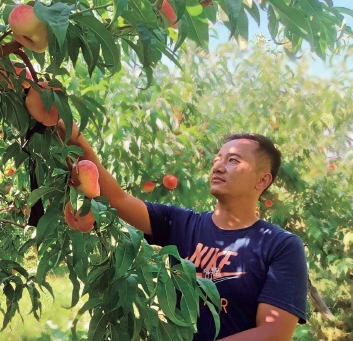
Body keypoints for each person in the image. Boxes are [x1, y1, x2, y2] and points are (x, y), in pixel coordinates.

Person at [58, 121, 308, 341]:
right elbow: (117, 199)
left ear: (262, 181)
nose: (218, 167)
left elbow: (273, 333)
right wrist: (71, 132)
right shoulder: (181, 223)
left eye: (233, 160)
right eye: (217, 160)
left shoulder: (280, 245)